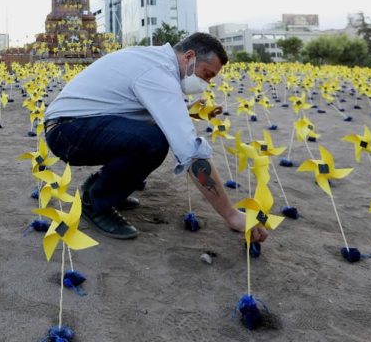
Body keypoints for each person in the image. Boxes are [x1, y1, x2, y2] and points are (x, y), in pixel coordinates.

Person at [43, 32, 268, 244]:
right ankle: (96, 203)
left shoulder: (154, 60)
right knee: (153, 142)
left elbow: (130, 106)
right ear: (189, 57)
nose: (206, 83)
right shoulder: (159, 73)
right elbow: (190, 152)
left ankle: (101, 187)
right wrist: (231, 215)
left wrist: (186, 111)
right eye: (207, 74)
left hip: (73, 124)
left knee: (152, 136)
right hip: (67, 131)